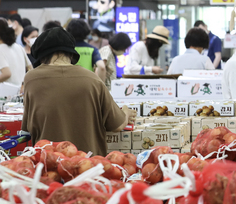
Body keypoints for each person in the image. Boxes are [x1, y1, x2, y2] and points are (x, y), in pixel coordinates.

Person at [22, 27, 135, 156]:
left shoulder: (31, 79)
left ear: (41, 57)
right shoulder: (92, 79)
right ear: (71, 53)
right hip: (89, 165)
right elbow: (117, 125)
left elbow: (27, 127)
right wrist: (125, 112)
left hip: (48, 163)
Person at [66, 19, 106, 83]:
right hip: (87, 85)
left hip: (68, 84)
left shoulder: (65, 49)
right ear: (87, 32)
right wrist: (101, 87)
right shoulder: (92, 50)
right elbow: (102, 67)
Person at [0, 20, 32, 89]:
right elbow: (30, 69)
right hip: (21, 93)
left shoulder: (1, 49)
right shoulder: (18, 47)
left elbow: (7, 74)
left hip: (6, 94)